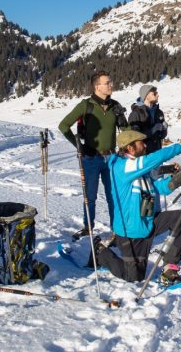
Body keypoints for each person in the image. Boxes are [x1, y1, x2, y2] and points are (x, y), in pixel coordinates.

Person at [93, 130, 181, 286]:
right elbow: (154, 159)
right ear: (130, 148)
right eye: (141, 143)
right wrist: (178, 148)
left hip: (147, 224)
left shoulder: (136, 168)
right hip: (130, 232)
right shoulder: (123, 166)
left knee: (178, 218)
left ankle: (170, 268)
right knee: (133, 276)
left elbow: (157, 188)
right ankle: (100, 252)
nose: (145, 145)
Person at [58, 70, 128, 240]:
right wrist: (78, 146)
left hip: (112, 159)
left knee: (114, 196)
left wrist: (126, 144)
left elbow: (126, 131)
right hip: (91, 158)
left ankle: (116, 230)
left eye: (110, 82)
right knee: (90, 196)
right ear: (97, 86)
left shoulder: (115, 106)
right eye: (107, 83)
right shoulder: (86, 105)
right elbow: (63, 126)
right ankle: (88, 227)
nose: (111, 85)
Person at [128, 84, 168, 153]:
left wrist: (164, 129)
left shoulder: (159, 112)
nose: (157, 95)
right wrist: (152, 130)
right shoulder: (136, 114)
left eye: (157, 93)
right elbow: (133, 138)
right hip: (143, 156)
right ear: (146, 95)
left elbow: (161, 136)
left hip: (157, 153)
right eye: (154, 93)